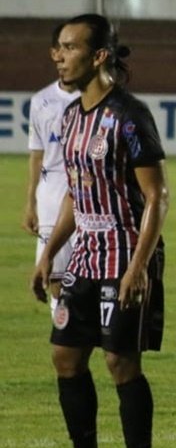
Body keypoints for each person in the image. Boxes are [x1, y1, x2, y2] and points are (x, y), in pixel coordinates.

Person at [32, 14, 169, 448]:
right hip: (85, 255)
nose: (58, 55)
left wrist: (138, 267)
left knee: (120, 364)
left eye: (69, 48)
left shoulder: (129, 116)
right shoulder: (70, 117)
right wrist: (50, 252)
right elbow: (76, 191)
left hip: (123, 254)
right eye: (57, 47)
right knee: (65, 357)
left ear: (99, 56)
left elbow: (157, 197)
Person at [24, 25, 80, 321]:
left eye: (72, 47)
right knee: (56, 276)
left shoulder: (95, 98)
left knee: (86, 275)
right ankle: (64, 332)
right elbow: (37, 153)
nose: (65, 54)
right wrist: (30, 203)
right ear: (53, 53)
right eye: (62, 47)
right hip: (50, 196)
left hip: (86, 195)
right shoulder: (40, 101)